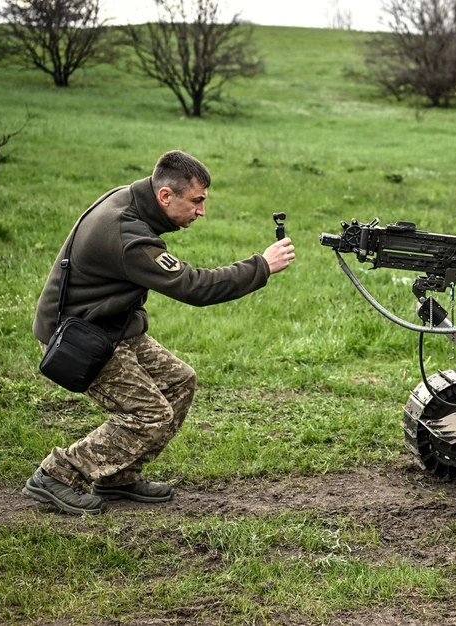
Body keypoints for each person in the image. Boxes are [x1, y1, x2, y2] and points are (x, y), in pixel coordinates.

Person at [23, 150, 296, 515]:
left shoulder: (133, 199)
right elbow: (193, 287)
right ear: (165, 196)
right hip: (80, 339)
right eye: (196, 201)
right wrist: (261, 266)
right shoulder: (128, 235)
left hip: (111, 325)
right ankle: (56, 474)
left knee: (180, 381)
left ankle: (116, 476)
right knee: (151, 415)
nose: (201, 211)